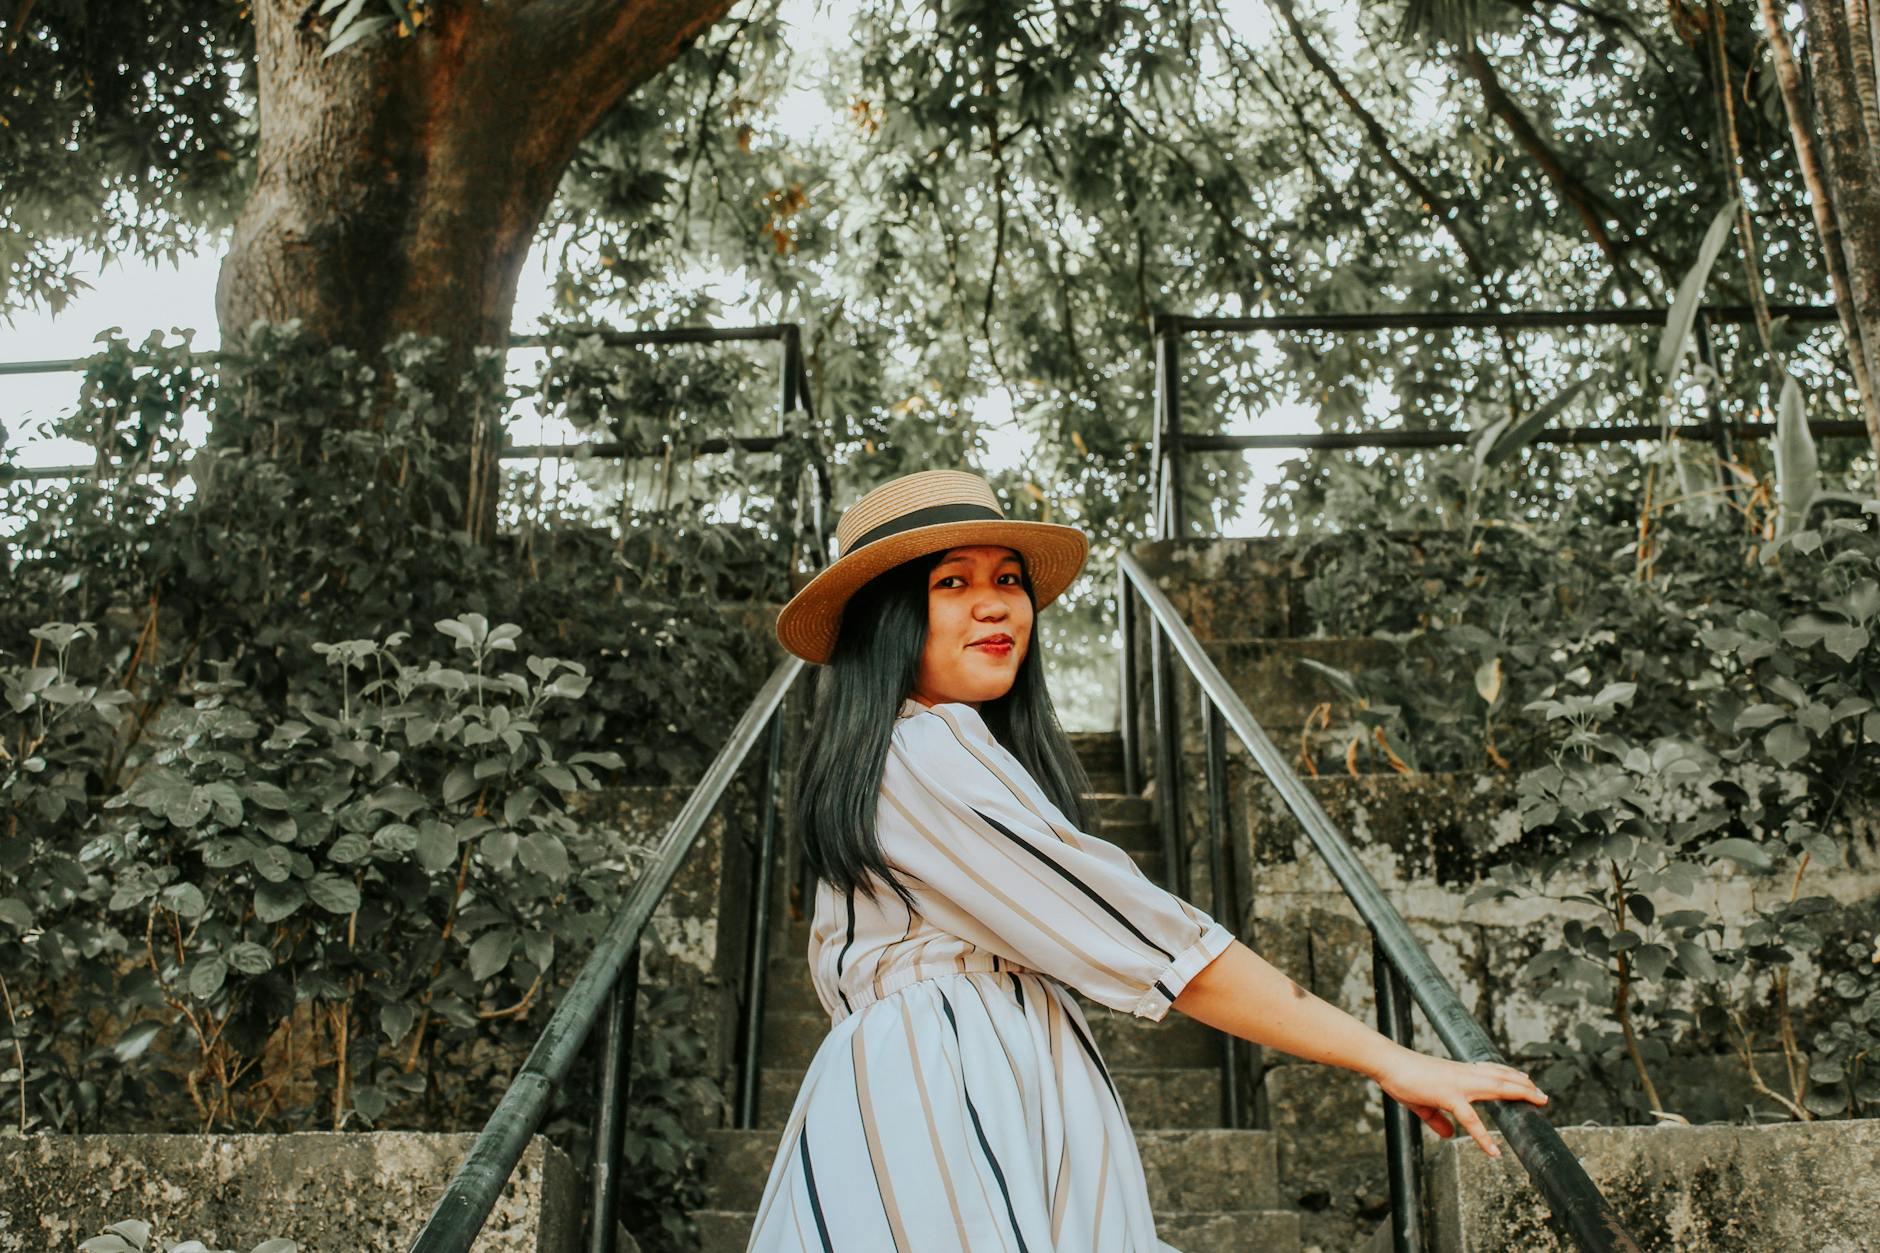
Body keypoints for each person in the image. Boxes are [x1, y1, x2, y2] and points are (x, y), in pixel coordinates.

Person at [748, 468, 1548, 1251]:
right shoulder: (926, 747)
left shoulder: (906, 758)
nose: (996, 603)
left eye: (1009, 578)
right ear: (884, 617)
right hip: (949, 1091)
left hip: (934, 1086)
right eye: (951, 581)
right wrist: (1392, 1058)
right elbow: (1153, 941)